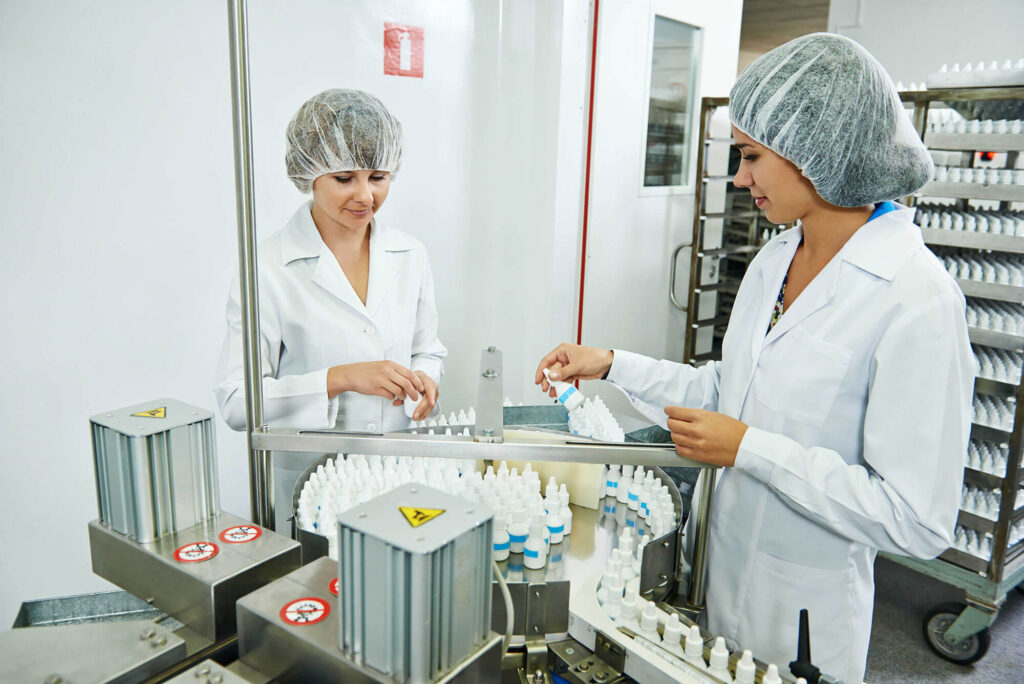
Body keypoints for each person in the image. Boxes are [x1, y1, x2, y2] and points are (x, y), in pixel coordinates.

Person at [536, 34, 972, 683]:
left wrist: (749, 450)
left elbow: (916, 519)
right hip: (719, 582)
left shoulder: (916, 299)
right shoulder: (776, 258)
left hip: (804, 618)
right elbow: (726, 390)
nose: (740, 178)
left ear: (814, 151)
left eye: (750, 156)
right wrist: (612, 364)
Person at [215, 89, 447, 526]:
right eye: (344, 178)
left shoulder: (410, 254)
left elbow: (427, 350)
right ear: (310, 175)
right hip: (310, 486)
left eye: (378, 176)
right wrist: (340, 379)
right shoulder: (267, 267)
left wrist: (426, 379)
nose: (365, 195)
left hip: (397, 471)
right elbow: (235, 399)